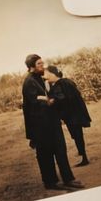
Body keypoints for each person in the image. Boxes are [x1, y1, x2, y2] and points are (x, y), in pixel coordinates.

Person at [22, 53, 75, 191]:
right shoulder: (29, 82)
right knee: (45, 154)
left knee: (61, 150)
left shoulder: (41, 78)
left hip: (52, 121)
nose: (42, 66)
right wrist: (48, 101)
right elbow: (35, 101)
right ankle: (50, 182)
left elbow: (49, 93)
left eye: (42, 63)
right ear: (31, 67)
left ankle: (69, 179)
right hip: (40, 125)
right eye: (39, 64)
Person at [46, 64, 91, 165]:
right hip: (76, 113)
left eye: (47, 74)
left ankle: (84, 158)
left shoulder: (59, 85)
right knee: (78, 135)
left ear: (53, 74)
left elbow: (61, 99)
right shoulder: (67, 81)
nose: (46, 77)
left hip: (71, 115)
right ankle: (83, 156)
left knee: (77, 135)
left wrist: (53, 102)